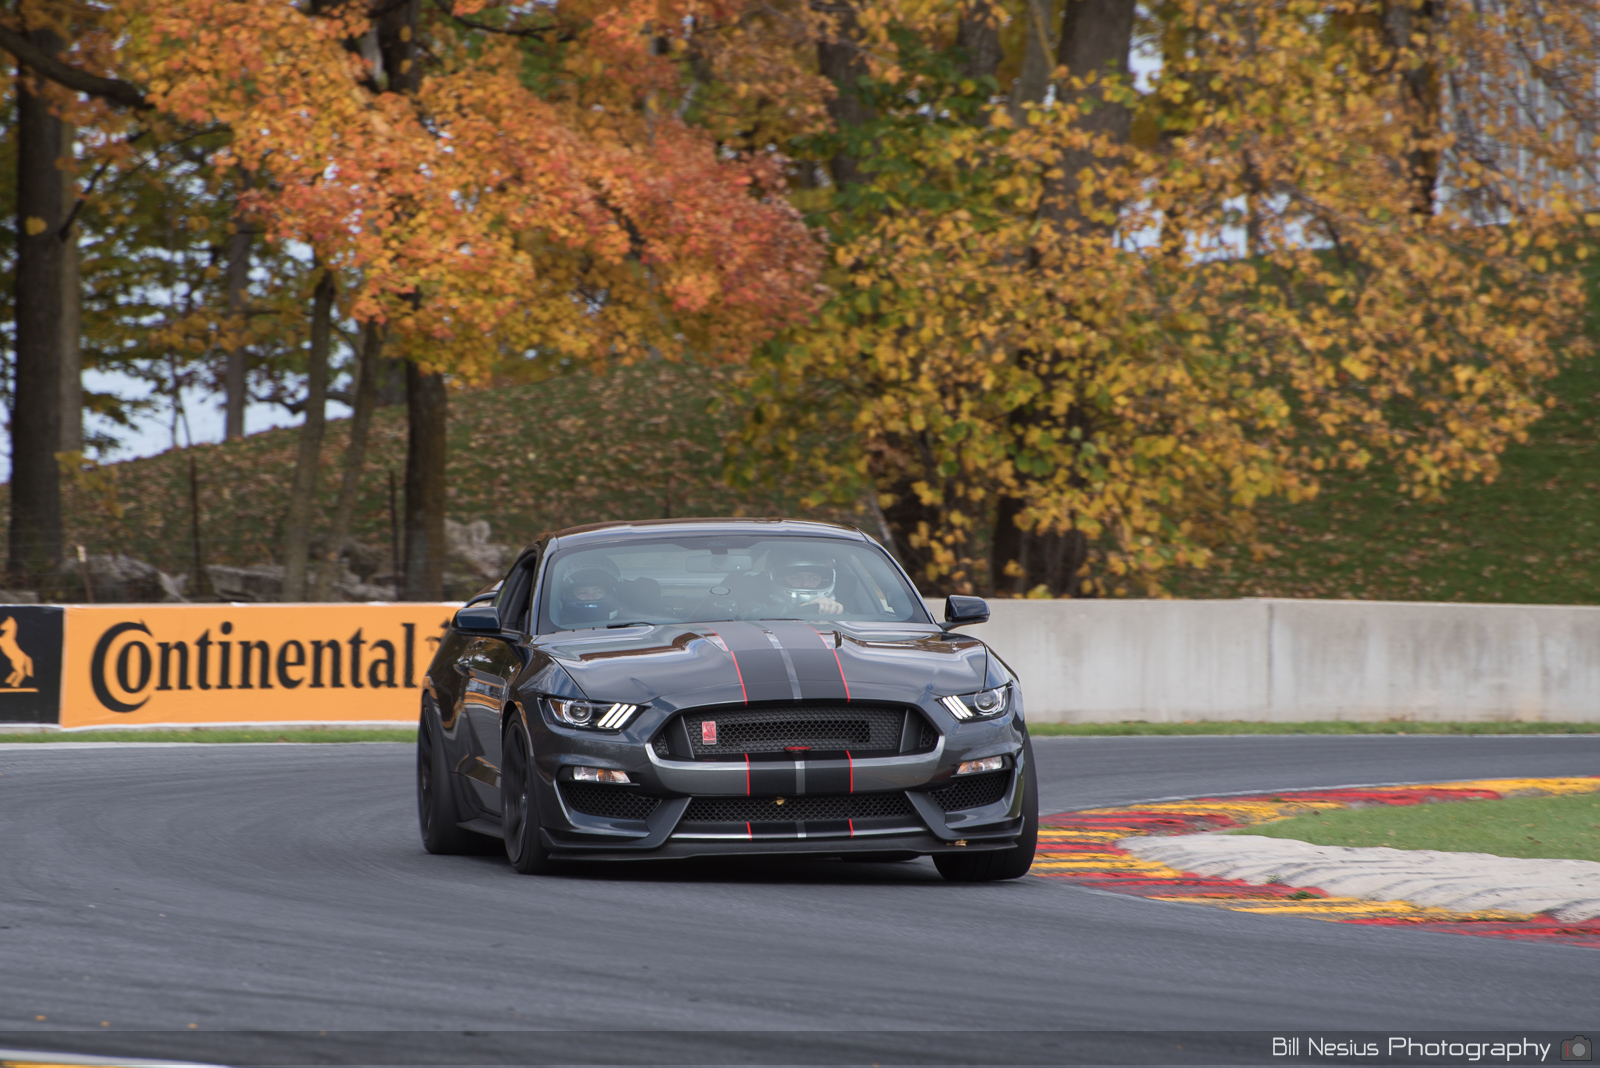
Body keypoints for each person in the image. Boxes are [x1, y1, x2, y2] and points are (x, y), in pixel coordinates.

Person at [763, 549, 845, 616]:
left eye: (813, 579)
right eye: (795, 578)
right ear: (780, 579)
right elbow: (751, 613)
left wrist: (832, 610)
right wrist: (805, 607)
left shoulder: (841, 616)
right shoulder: (757, 607)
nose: (805, 584)